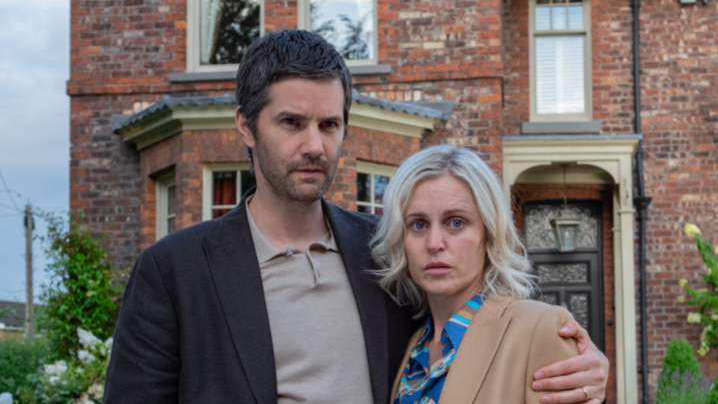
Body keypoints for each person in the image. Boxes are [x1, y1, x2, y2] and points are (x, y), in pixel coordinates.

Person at [104, 30, 608, 403]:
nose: (315, 145)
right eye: (291, 123)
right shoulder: (175, 270)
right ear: (245, 126)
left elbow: (484, 323)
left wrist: (588, 370)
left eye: (330, 124)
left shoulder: (385, 252)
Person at [373, 144, 600, 404]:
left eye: (456, 222)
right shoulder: (413, 344)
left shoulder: (538, 329)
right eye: (419, 224)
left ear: (489, 235)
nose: (434, 242)